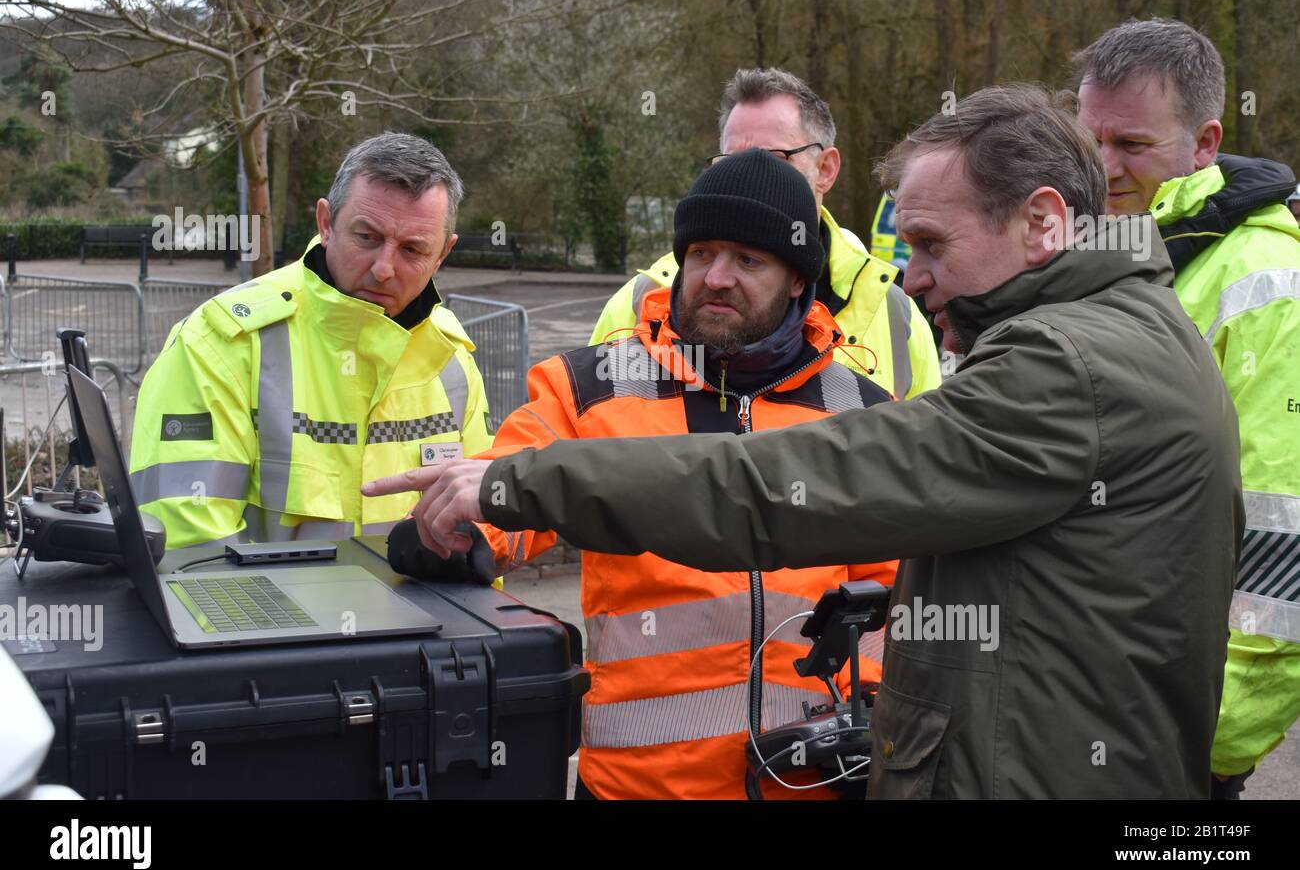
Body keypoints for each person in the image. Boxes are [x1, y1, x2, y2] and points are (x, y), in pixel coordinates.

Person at [370, 85, 1244, 799]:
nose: (915, 274)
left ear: (1045, 222)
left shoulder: (1050, 368)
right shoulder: (596, 382)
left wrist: (518, 482)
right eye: (698, 253)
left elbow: (783, 490)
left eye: (933, 241)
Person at [370, 149, 896, 799]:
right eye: (701, 253)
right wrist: (456, 533)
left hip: (811, 785)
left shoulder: (864, 413)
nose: (717, 277)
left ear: (798, 280)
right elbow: (507, 483)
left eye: (748, 260)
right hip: (636, 787)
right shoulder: (590, 388)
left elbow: (893, 593)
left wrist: (869, 709)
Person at [1074, 18, 1300, 799]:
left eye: (1132, 145)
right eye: (1090, 139)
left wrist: (1209, 743)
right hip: (1077, 707)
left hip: (1167, 741)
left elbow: (1283, 534)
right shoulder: (1097, 253)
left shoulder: (1267, 283)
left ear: (1204, 144)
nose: (1102, 167)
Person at [131, 132, 492, 547]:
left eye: (412, 249)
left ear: (443, 254)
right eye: (367, 237)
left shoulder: (452, 359)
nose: (383, 269)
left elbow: (482, 529)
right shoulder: (221, 342)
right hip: (270, 614)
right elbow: (191, 549)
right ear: (325, 222)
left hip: (436, 614)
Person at [590, 67, 941, 401]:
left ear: (826, 170)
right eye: (731, 162)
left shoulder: (893, 311)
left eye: (773, 160)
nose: (748, 181)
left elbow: (926, 454)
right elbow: (589, 430)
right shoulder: (643, 298)